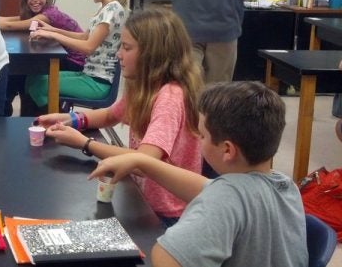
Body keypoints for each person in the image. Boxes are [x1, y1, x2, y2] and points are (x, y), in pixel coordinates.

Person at [89, 81, 307, 267]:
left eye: (202, 136)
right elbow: (207, 187)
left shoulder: (224, 199)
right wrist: (141, 160)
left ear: (227, 150)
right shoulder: (286, 185)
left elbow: (166, 259)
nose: (199, 141)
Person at [37, 8, 202, 225]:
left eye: (126, 48)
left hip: (168, 215)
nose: (118, 54)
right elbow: (109, 115)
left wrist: (85, 144)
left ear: (153, 55)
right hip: (144, 200)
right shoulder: (145, 86)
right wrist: (71, 119)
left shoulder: (170, 97)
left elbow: (144, 162)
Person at [23, 0, 129, 114]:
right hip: (89, 75)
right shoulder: (105, 8)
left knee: (40, 86)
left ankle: (57, 123)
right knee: (33, 79)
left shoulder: (112, 9)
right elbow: (84, 36)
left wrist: (52, 35)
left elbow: (88, 46)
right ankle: (53, 119)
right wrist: (53, 30)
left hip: (98, 82)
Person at [0, 0, 85, 115]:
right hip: (63, 56)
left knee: (21, 72)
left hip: (74, 61)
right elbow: (13, 19)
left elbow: (9, 25)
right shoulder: (39, 14)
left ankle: (11, 110)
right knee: (19, 73)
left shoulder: (49, 15)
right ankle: (17, 111)